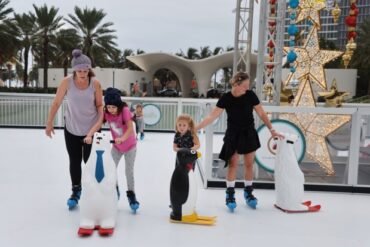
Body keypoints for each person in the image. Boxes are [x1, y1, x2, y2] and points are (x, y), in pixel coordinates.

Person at [195, 71, 282, 211]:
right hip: (233, 134)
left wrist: (272, 130)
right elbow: (212, 117)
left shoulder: (250, 95)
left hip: (248, 133)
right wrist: (196, 128)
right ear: (236, 84)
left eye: (248, 85)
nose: (247, 88)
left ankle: (248, 192)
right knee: (233, 164)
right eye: (245, 86)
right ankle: (230, 195)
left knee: (249, 164)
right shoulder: (226, 98)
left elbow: (261, 113)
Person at [45, 49, 103, 209]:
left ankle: (93, 191)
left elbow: (99, 105)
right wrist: (49, 123)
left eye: (86, 70)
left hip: (91, 129)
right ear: (74, 70)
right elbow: (56, 103)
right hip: (72, 128)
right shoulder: (67, 82)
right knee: (75, 161)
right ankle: (76, 190)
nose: (83, 73)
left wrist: (100, 121)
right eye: (80, 70)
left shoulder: (95, 83)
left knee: (90, 162)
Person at [103, 87, 140, 213]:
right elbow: (98, 123)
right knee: (110, 169)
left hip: (130, 146)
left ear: (118, 105)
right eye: (109, 107)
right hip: (117, 147)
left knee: (128, 171)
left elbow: (130, 128)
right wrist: (90, 133)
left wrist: (122, 138)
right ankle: (115, 189)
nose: (111, 110)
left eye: (114, 107)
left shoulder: (124, 110)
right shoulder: (106, 112)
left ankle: (131, 195)